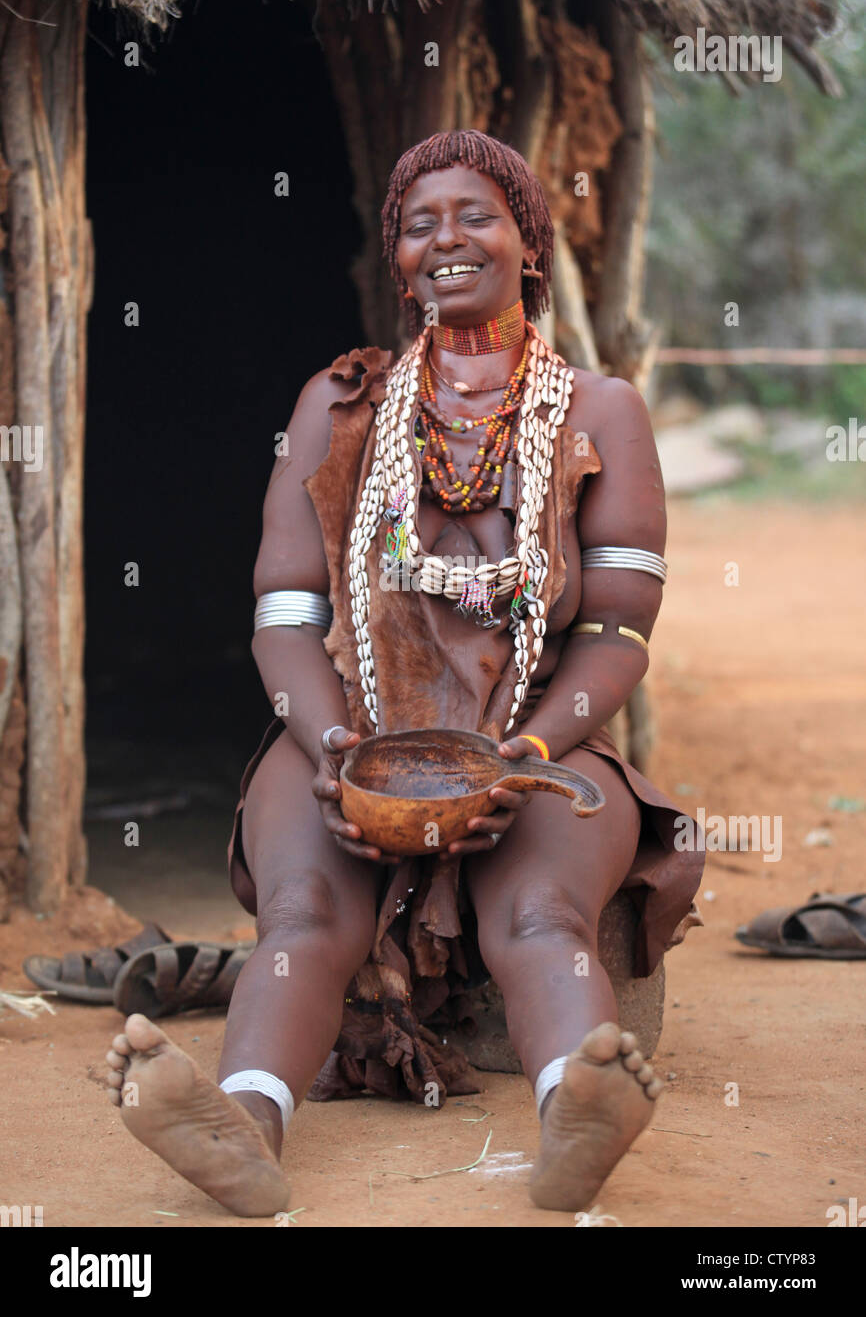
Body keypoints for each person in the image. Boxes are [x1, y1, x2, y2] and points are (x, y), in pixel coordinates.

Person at [105, 130, 703, 1217]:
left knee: (538, 919)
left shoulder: (597, 409)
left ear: (526, 239)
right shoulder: (337, 406)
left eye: (474, 214)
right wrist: (336, 748)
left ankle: (578, 1110)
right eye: (417, 225)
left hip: (535, 738)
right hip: (349, 729)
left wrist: (523, 753)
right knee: (301, 916)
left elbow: (617, 632)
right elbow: (282, 619)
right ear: (396, 263)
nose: (445, 239)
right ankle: (241, 1124)